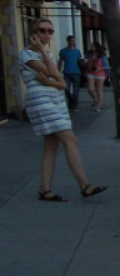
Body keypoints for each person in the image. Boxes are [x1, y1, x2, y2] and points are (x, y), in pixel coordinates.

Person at [20, 19, 107, 203]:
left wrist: (51, 78)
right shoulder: (27, 54)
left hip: (55, 100)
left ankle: (45, 190)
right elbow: (54, 73)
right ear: (33, 33)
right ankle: (85, 186)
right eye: (42, 30)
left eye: (50, 31)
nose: (47, 34)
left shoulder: (48, 55)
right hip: (42, 101)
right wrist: (43, 53)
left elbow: (59, 78)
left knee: (52, 144)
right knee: (71, 139)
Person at [58, 33, 81, 111]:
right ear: (68, 41)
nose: (73, 42)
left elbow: (79, 61)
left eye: (74, 41)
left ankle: (74, 105)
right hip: (67, 72)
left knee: (75, 90)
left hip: (76, 72)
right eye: (71, 41)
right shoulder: (63, 51)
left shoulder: (77, 51)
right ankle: (71, 101)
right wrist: (58, 71)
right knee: (66, 89)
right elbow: (60, 61)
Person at [84, 43, 108, 111]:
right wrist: (88, 65)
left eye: (93, 46)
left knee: (99, 89)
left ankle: (98, 106)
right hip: (90, 72)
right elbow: (85, 61)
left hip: (100, 73)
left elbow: (106, 66)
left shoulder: (102, 56)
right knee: (90, 89)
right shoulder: (89, 54)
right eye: (91, 45)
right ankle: (95, 99)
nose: (91, 47)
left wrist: (99, 68)